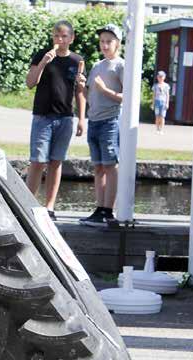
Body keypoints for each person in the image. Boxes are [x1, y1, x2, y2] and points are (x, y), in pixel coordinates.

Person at [25, 20, 86, 221]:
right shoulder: (43, 54)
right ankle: (27, 204)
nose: (59, 40)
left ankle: (49, 207)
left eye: (64, 36)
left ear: (71, 38)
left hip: (65, 118)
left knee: (56, 162)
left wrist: (81, 119)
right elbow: (30, 83)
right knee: (37, 161)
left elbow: (80, 92)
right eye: (56, 36)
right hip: (43, 116)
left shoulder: (77, 61)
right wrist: (43, 62)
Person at [78, 24, 124, 227]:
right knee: (98, 167)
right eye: (102, 41)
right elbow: (90, 95)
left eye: (109, 41)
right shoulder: (97, 65)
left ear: (118, 43)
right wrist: (81, 87)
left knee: (110, 165)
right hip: (94, 121)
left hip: (110, 121)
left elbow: (126, 97)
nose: (105, 45)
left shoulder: (121, 66)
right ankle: (99, 208)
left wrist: (105, 90)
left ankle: (108, 210)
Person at [152, 70, 170, 135]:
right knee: (157, 116)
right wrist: (153, 103)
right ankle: (157, 129)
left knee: (162, 116)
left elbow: (167, 95)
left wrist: (167, 103)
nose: (160, 78)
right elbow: (153, 95)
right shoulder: (155, 86)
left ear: (164, 77)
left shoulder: (166, 86)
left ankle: (161, 129)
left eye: (162, 77)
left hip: (163, 102)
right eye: (159, 76)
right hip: (157, 101)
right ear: (157, 77)